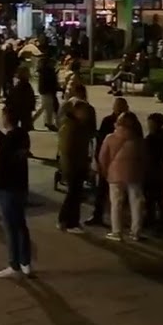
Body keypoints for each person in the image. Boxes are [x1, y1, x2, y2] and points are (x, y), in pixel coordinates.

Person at [0, 105, 32, 278]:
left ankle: (14, 264)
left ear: (7, 117)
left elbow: (5, 147)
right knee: (20, 225)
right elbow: (5, 141)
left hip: (7, 188)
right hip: (20, 186)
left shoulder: (10, 141)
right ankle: (25, 262)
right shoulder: (21, 135)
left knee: (10, 227)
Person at [99, 111, 146, 242]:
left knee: (116, 203)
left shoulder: (110, 138)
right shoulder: (138, 139)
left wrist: (105, 171)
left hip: (114, 173)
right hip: (134, 173)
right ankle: (136, 232)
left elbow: (103, 157)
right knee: (136, 203)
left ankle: (116, 232)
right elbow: (144, 157)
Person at [86, 98, 129, 227]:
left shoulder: (130, 122)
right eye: (117, 106)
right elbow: (100, 143)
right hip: (109, 162)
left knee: (122, 193)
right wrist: (98, 160)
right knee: (102, 190)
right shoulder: (108, 121)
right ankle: (98, 215)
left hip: (122, 163)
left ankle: (121, 218)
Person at [56, 100, 93, 233]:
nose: (86, 114)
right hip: (73, 166)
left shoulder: (77, 125)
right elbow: (67, 150)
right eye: (83, 111)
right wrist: (73, 166)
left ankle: (67, 221)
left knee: (74, 195)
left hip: (77, 165)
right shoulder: (70, 126)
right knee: (73, 195)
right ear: (76, 111)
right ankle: (70, 223)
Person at [142, 113, 163, 232]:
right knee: (159, 197)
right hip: (159, 169)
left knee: (152, 196)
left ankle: (153, 219)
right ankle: (162, 220)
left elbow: (147, 153)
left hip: (152, 170)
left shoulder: (152, 138)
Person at [6, 66, 36, 133]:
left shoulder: (17, 84)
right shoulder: (25, 86)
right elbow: (30, 97)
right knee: (23, 129)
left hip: (16, 109)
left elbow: (10, 96)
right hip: (22, 110)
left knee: (14, 128)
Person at [34, 57, 60, 131]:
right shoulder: (48, 72)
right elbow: (51, 83)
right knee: (49, 108)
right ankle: (49, 123)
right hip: (47, 91)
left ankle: (32, 120)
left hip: (44, 91)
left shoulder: (43, 71)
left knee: (43, 107)